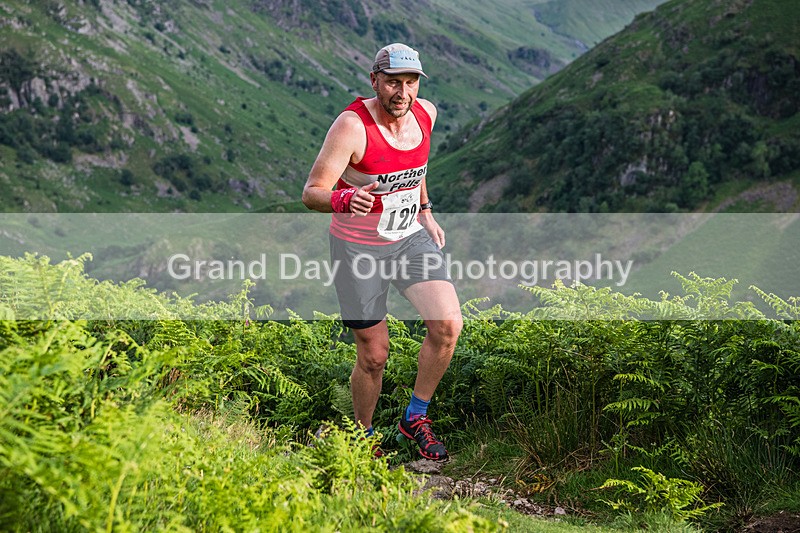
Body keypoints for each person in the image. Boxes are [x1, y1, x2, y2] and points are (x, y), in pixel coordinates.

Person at [301, 43, 462, 460]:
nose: (402, 92)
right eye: (393, 82)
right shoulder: (352, 127)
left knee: (447, 327)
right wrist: (343, 199)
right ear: (375, 81)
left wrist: (425, 209)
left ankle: (415, 418)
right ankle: (363, 437)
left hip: (409, 238)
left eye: (410, 83)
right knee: (374, 355)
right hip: (358, 250)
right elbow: (312, 192)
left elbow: (417, 166)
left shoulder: (426, 113)